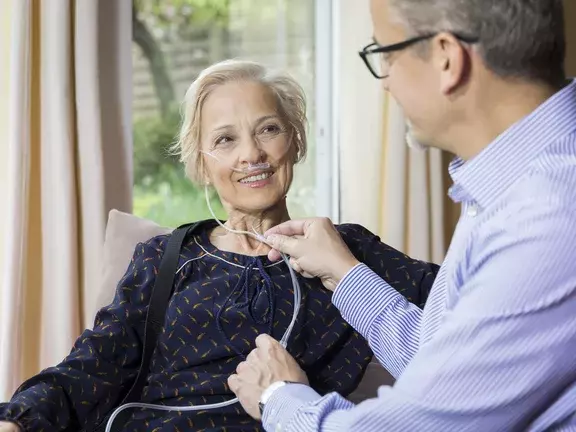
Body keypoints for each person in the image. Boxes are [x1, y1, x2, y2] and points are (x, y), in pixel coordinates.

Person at [0, 60, 439, 432]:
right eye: (225, 140)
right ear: (202, 164)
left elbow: (466, 305)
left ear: (295, 142)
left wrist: (347, 270)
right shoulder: (163, 258)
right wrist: (18, 419)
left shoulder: (346, 251)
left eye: (268, 129)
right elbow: (90, 367)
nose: (252, 154)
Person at [228, 1, 576, 431]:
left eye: (386, 54)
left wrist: (278, 396)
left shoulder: (547, 217)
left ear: (447, 58)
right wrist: (345, 274)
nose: (386, 82)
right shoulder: (508, 184)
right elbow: (447, 369)